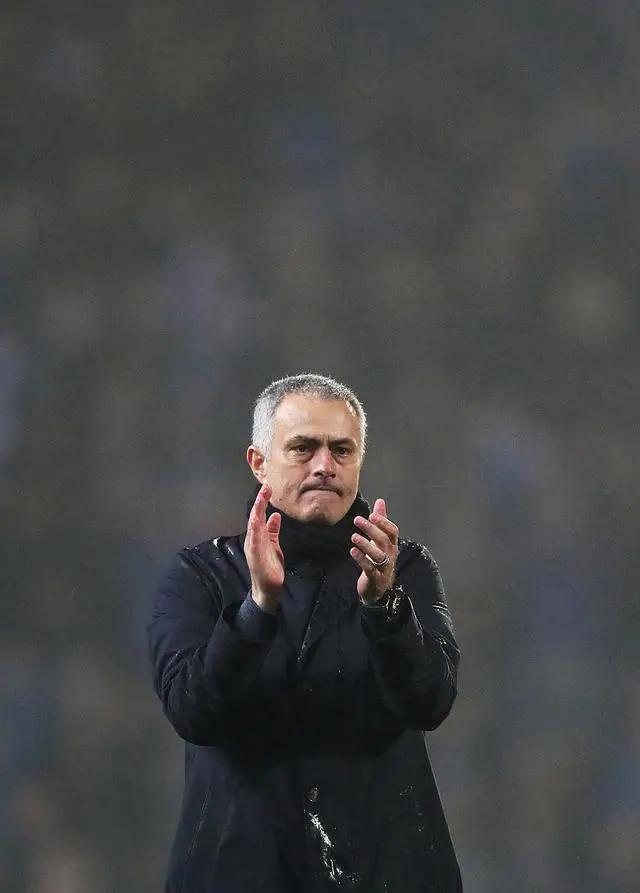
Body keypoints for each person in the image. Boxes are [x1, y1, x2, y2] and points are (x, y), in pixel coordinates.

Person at [147, 373, 463, 893]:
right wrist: (257, 609)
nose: (324, 466)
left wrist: (386, 607)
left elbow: (430, 703)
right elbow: (191, 711)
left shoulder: (404, 570)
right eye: (303, 448)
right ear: (259, 462)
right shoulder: (201, 575)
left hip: (384, 871)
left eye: (342, 450)